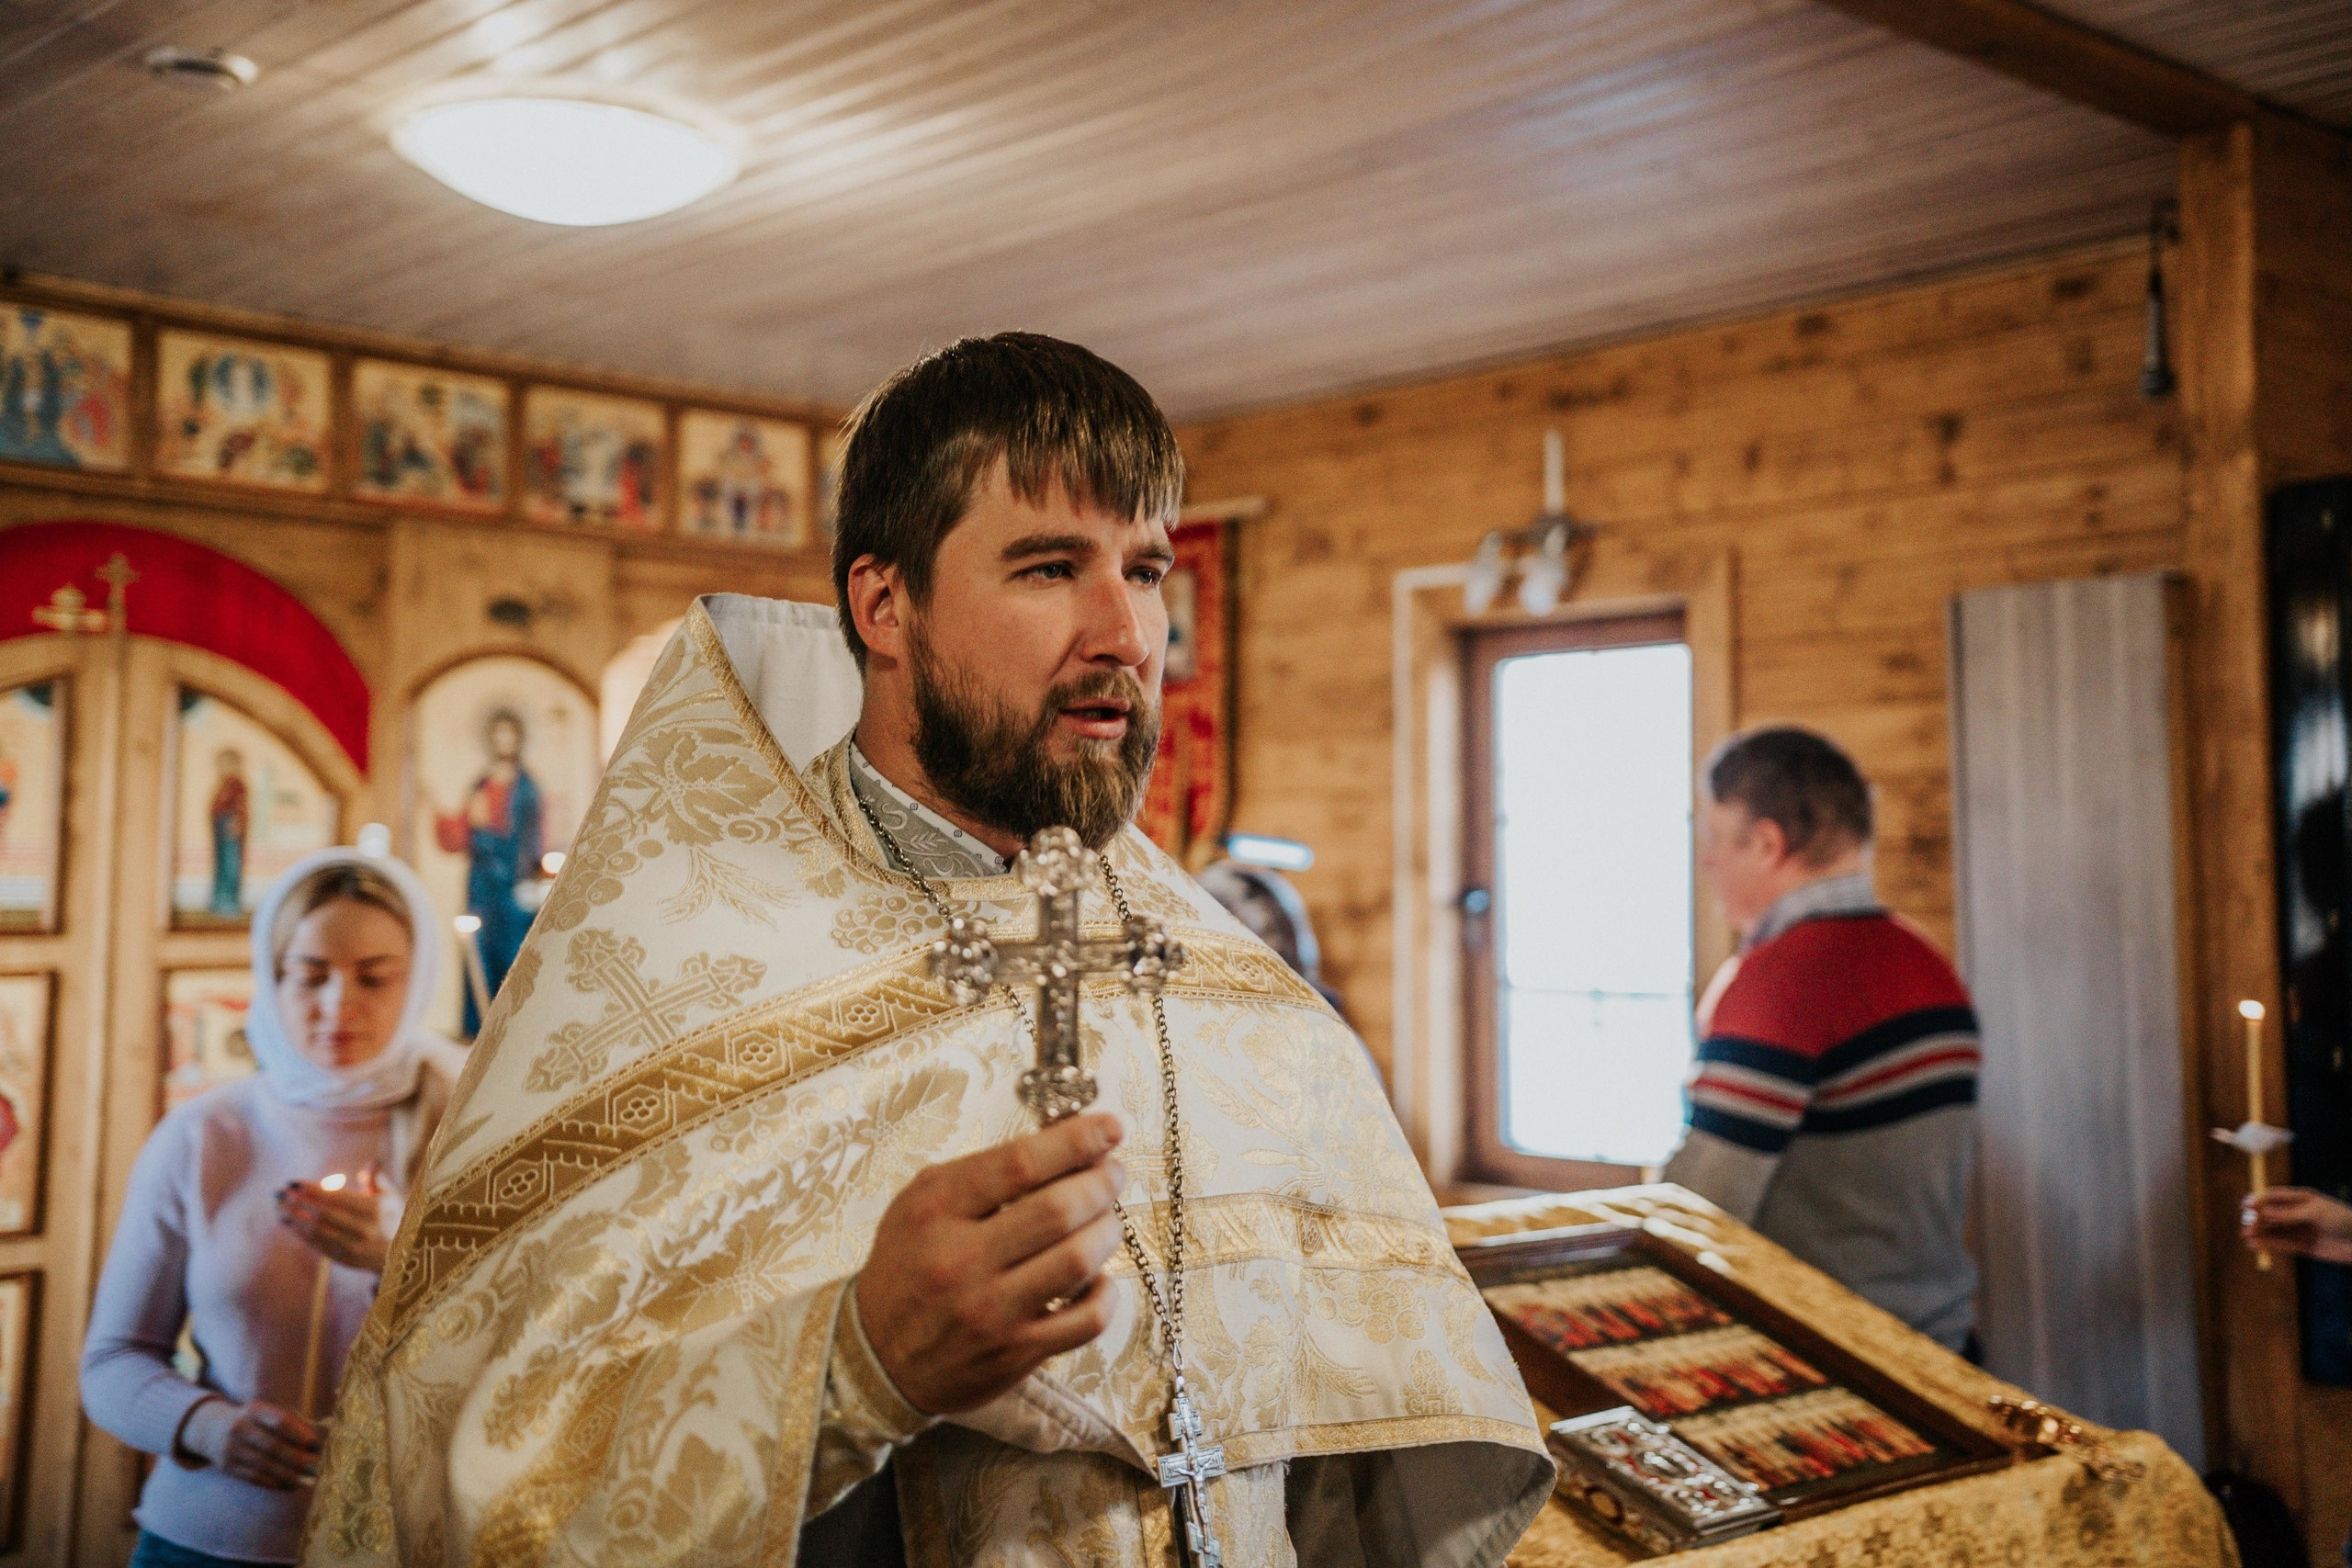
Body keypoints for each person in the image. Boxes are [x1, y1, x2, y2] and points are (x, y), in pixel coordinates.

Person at [309, 333, 1552, 1568]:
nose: (1123, 629)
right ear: (882, 603)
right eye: (1050, 566)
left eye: (1147, 567)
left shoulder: (1255, 1011)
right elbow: (466, 1480)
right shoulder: (677, 983)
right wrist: (854, 1364)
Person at [82, 849, 465, 1567]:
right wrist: (208, 1426)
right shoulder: (204, 1136)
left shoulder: (474, 1125)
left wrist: (396, 1262)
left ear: (419, 982)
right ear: (271, 975)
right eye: (310, 974)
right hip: (209, 1540)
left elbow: (527, 1347)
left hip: (409, 1540)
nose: (337, 1003)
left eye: (374, 977)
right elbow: (112, 1360)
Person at [1662, 726, 1983, 1354]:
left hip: (1832, 1359)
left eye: (1714, 840)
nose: (1706, 863)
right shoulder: (1924, 958)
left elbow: (1698, 1207)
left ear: (1765, 843)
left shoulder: (1783, 980)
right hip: (1943, 1345)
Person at [432, 709, 541, 1034]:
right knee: (477, 956)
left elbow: (530, 838)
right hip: (481, 886)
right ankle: (475, 1031)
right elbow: (464, 831)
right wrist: (445, 816)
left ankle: (510, 1032)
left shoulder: (527, 788)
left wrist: (523, 873)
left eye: (509, 734)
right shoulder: (481, 782)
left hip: (512, 886)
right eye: (498, 734)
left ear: (518, 738)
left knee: (512, 957)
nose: (503, 740)